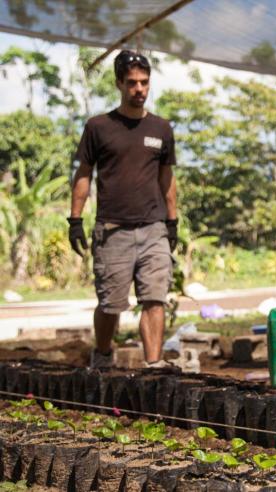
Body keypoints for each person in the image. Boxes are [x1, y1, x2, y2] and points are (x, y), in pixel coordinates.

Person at [68, 50, 178, 369]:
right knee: (110, 303)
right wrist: (75, 219)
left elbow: (167, 178)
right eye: (132, 83)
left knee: (154, 298)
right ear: (119, 83)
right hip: (112, 229)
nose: (139, 89)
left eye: (144, 82)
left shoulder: (161, 128)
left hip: (153, 227)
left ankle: (153, 366)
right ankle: (102, 356)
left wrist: (172, 221)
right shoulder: (99, 127)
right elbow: (84, 174)